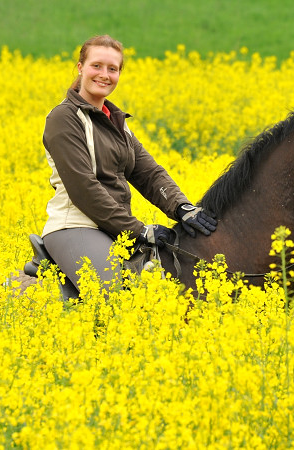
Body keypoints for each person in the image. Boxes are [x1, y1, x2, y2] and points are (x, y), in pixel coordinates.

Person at [40, 34, 216, 291]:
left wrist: (182, 208)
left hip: (117, 230)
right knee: (118, 297)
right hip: (76, 226)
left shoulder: (116, 123)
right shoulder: (64, 118)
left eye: (113, 69)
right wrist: (139, 230)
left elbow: (149, 173)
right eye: (96, 66)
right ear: (80, 68)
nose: (104, 74)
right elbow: (83, 189)